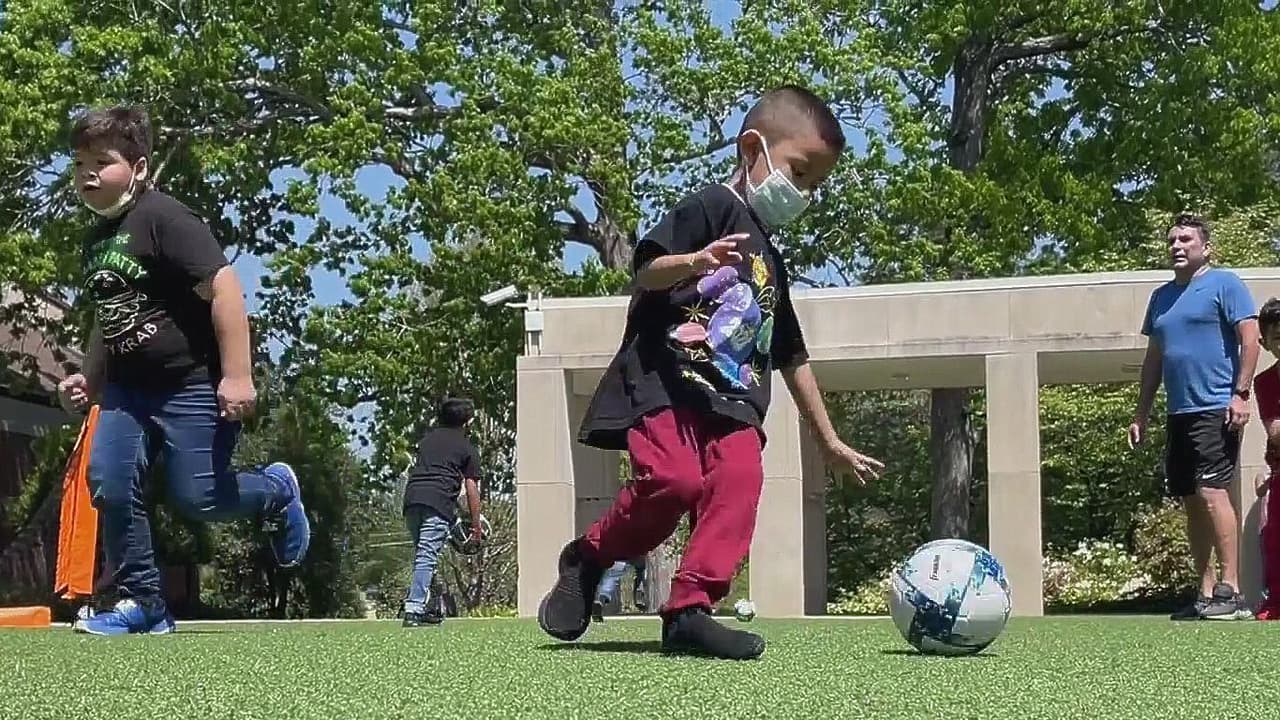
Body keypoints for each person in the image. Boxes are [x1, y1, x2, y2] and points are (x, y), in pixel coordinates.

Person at [537, 85, 883, 660]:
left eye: (813, 186)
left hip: (734, 399)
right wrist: (693, 262)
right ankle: (589, 556)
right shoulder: (708, 208)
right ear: (754, 148)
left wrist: (829, 439)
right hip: (666, 382)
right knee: (675, 483)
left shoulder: (770, 258)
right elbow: (646, 271)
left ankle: (689, 610)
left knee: (740, 481)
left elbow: (790, 353)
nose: (802, 193)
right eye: (798, 173)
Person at [56, 105, 311, 635]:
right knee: (109, 481)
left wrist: (238, 376)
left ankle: (277, 491)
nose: (87, 174)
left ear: (140, 167)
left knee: (199, 498)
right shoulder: (96, 240)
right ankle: (144, 602)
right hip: (128, 392)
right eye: (78, 162)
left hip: (192, 384)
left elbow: (225, 287)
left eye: (101, 162)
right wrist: (91, 377)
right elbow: (111, 317)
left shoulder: (165, 218)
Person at [1128, 214, 1260, 621]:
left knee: (1211, 492)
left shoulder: (1225, 284)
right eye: (1171, 240)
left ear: (1206, 247)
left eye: (1185, 239)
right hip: (1178, 413)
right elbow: (1154, 360)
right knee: (1189, 499)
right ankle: (1204, 594)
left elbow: (1250, 339)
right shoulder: (1161, 298)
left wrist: (1239, 395)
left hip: (1215, 408)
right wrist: (1141, 413)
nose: (1177, 246)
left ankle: (1231, 591)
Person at [401, 398, 484, 627]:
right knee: (427, 557)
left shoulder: (426, 441)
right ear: (467, 423)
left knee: (424, 556)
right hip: (437, 504)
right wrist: (475, 525)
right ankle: (413, 609)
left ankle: (428, 607)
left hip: (412, 500)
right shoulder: (467, 448)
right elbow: (471, 489)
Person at [1251, 298, 1280, 619]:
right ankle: (1276, 602)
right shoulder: (1265, 382)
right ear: (1265, 342)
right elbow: (1275, 431)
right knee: (1274, 537)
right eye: (1278, 337)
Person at [591, 556, 648, 621]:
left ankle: (600, 600)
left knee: (610, 578)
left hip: (611, 556)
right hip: (627, 557)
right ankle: (639, 596)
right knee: (640, 568)